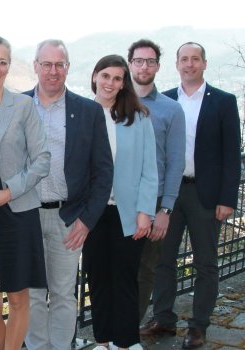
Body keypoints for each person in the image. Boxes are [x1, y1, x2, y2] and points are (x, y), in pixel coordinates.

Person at [140, 42, 241, 350]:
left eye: (195, 59)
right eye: (184, 59)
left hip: (205, 195)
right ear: (176, 64)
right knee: (162, 260)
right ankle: (164, 318)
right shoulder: (165, 99)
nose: (189, 64)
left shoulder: (223, 102)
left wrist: (228, 199)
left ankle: (198, 327)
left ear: (204, 64)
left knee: (205, 263)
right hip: (167, 194)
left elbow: (231, 154)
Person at [23, 39, 113, 350]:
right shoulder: (17, 106)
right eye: (46, 64)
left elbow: (103, 173)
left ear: (68, 68)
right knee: (32, 292)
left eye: (59, 64)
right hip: (26, 215)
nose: (52, 71)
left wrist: (87, 221)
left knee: (63, 291)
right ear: (35, 66)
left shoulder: (88, 111)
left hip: (68, 217)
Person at [0, 35, 51, 350]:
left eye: (2, 61)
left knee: (18, 300)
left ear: (9, 67)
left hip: (16, 214)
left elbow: (42, 159)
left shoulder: (23, 106)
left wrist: (8, 192)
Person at [83, 54, 158, 350]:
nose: (110, 83)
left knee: (126, 278)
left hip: (127, 212)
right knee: (97, 278)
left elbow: (149, 170)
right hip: (92, 212)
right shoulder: (83, 114)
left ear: (123, 82)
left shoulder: (138, 117)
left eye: (117, 78)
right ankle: (102, 341)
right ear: (94, 77)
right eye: (105, 76)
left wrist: (145, 212)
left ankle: (125, 342)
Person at [126, 39, 186, 328]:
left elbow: (176, 163)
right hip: (118, 203)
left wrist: (166, 210)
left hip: (154, 205)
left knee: (145, 271)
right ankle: (111, 329)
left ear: (158, 67)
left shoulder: (171, 109)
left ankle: (129, 332)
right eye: (139, 60)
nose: (144, 66)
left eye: (150, 61)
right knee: (114, 269)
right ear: (130, 64)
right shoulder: (115, 103)